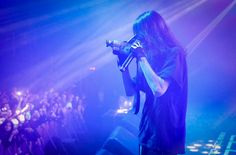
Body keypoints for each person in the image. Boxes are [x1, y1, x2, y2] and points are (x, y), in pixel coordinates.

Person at [121, 11, 188, 155]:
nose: (139, 38)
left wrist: (141, 57)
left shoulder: (174, 54)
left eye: (141, 33)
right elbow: (130, 91)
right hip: (147, 133)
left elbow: (159, 89)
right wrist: (123, 68)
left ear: (153, 31)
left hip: (166, 136)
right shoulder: (147, 59)